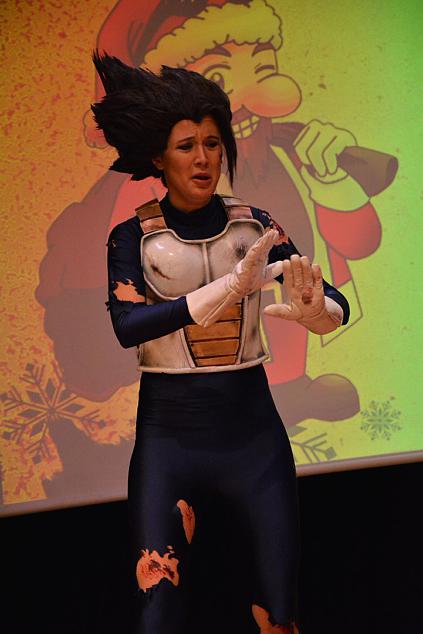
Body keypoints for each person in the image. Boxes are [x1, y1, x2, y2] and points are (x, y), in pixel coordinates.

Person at [92, 52, 349, 634]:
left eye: (212, 143)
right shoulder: (133, 237)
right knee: (158, 606)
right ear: (158, 157)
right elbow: (128, 326)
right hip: (169, 439)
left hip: (253, 437)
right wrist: (229, 287)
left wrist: (318, 313)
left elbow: (330, 299)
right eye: (186, 145)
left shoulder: (253, 226)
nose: (203, 157)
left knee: (280, 606)